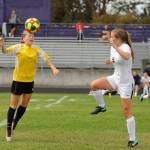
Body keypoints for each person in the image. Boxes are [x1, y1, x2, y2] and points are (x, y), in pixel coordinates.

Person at [0, 30, 59, 142]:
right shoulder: (18, 47)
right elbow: (5, 51)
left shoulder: (36, 49)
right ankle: (8, 128)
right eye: (29, 36)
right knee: (13, 105)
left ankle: (15, 122)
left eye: (32, 36)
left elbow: (46, 57)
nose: (31, 37)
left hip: (29, 81)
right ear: (23, 38)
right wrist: (2, 45)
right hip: (18, 80)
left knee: (24, 105)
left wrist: (53, 68)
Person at [90, 28, 138, 147]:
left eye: (112, 37)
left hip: (126, 83)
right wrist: (109, 59)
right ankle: (102, 106)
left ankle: (133, 139)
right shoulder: (113, 45)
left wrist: (115, 47)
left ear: (119, 39)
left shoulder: (125, 46)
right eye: (110, 36)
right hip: (115, 78)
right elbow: (116, 58)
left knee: (126, 112)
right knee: (94, 85)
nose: (110, 38)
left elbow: (126, 56)